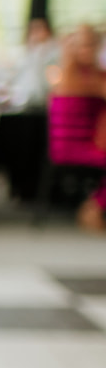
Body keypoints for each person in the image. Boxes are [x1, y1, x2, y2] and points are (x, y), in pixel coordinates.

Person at [47, 25, 106, 231]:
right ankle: (94, 207)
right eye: (83, 45)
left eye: (92, 44)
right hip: (70, 147)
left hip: (92, 142)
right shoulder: (67, 76)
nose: (87, 50)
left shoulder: (96, 76)